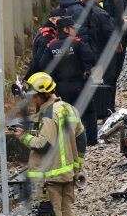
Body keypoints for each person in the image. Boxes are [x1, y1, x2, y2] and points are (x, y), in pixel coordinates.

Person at [12, 72, 85, 216]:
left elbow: (44, 144)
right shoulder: (68, 108)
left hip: (50, 176)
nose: (32, 100)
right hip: (67, 173)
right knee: (67, 211)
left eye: (34, 96)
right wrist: (77, 166)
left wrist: (24, 137)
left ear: (42, 94)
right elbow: (81, 138)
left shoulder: (48, 114)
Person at [36, 16, 96, 154]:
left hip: (60, 88)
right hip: (79, 84)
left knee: (64, 114)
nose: (75, 30)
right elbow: (90, 58)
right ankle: (91, 140)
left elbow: (43, 65)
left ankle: (67, 141)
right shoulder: (77, 43)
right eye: (73, 27)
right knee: (88, 112)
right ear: (66, 29)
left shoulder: (51, 46)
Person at [100, 0, 127, 111]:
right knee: (109, 75)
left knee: (116, 75)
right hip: (111, 41)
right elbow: (106, 19)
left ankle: (110, 105)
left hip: (122, 39)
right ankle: (106, 107)